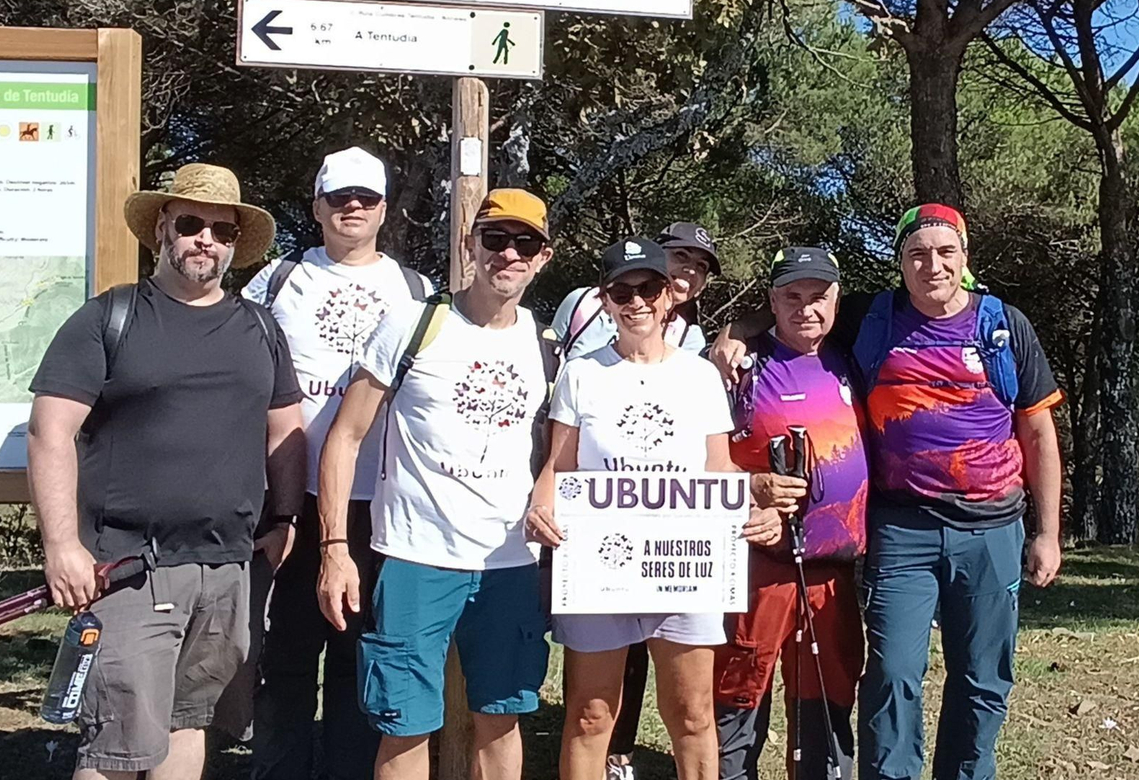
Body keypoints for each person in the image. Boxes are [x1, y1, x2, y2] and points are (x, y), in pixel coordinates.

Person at [709, 205, 1064, 780]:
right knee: (893, 673)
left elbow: (1039, 433)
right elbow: (793, 310)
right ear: (900, 262)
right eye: (917, 254)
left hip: (994, 526)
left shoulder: (1004, 327)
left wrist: (1047, 532)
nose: (932, 265)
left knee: (982, 679)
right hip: (902, 529)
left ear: (965, 258)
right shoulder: (872, 317)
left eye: (946, 253)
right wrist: (732, 334)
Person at [27, 163, 307, 780]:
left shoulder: (260, 328)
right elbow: (50, 432)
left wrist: (284, 517)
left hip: (228, 568)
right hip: (129, 569)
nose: (205, 239)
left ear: (235, 244)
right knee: (115, 747)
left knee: (189, 724)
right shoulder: (108, 319)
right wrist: (61, 547)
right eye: (191, 223)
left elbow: (285, 428)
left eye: (221, 230)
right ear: (162, 229)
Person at [317, 188, 558, 780]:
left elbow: (565, 447)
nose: (508, 254)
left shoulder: (546, 346)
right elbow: (345, 437)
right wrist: (334, 549)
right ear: (469, 245)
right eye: (495, 239)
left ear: (543, 257)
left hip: (510, 563)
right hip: (413, 559)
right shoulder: (414, 323)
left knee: (501, 718)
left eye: (524, 242)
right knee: (404, 725)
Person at [526, 237, 759, 780]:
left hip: (684, 565)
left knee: (693, 716)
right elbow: (559, 468)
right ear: (605, 300)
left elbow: (717, 468)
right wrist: (541, 506)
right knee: (590, 715)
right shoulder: (581, 373)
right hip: (600, 566)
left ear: (668, 296)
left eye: (649, 288)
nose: (637, 302)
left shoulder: (699, 376)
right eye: (622, 291)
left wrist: (749, 505)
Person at [236, 147, 433, 780]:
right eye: (340, 197)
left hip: (381, 502)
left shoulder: (416, 291)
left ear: (384, 210)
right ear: (316, 206)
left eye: (367, 198)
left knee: (360, 656)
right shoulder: (276, 281)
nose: (353, 207)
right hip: (294, 498)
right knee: (287, 654)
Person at [715, 247, 869, 780]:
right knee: (740, 689)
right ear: (773, 301)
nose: (806, 309)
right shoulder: (740, 368)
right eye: (792, 297)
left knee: (827, 694)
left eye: (818, 296)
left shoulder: (853, 353)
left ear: (836, 300)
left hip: (836, 570)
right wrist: (750, 491)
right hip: (761, 567)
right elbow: (694, 457)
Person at [553, 221, 720, 361]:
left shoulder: (688, 339)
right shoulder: (583, 304)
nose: (691, 270)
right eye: (681, 255)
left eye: (701, 266)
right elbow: (548, 366)